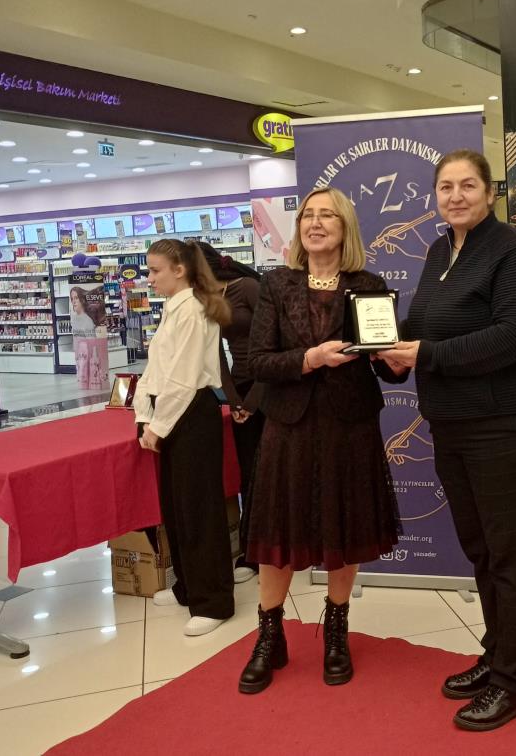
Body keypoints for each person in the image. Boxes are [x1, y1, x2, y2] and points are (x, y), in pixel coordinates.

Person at [378, 149, 516, 733]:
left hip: (507, 423)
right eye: (446, 187)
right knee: (480, 549)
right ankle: (497, 654)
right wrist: (388, 350)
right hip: (452, 423)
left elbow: (513, 337)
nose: (456, 196)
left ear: (490, 192)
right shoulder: (440, 250)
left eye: (468, 186)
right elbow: (424, 326)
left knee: (510, 554)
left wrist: (426, 355)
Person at [239, 187, 402, 695]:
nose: (314, 222)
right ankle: (270, 635)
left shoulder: (369, 285)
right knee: (278, 530)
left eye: (326, 215)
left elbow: (386, 366)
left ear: (344, 226)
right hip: (288, 425)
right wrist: (310, 359)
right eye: (307, 215)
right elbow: (257, 362)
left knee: (344, 524)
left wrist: (392, 360)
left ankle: (336, 631)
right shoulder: (276, 283)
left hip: (349, 425)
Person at [131, 238, 235, 637]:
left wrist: (157, 426)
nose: (150, 278)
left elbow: (184, 378)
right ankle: (188, 587)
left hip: (191, 414)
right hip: (174, 413)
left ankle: (213, 600)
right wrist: (144, 413)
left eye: (155, 270)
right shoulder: (173, 308)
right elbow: (156, 369)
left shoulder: (191, 309)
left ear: (180, 270)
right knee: (176, 508)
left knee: (199, 511)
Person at [197, 242, 264, 584]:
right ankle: (252, 551)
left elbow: (275, 343)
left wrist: (252, 401)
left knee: (273, 472)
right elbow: (216, 354)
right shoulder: (206, 300)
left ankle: (276, 546)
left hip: (268, 388)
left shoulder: (248, 288)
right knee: (249, 474)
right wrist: (234, 400)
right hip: (239, 389)